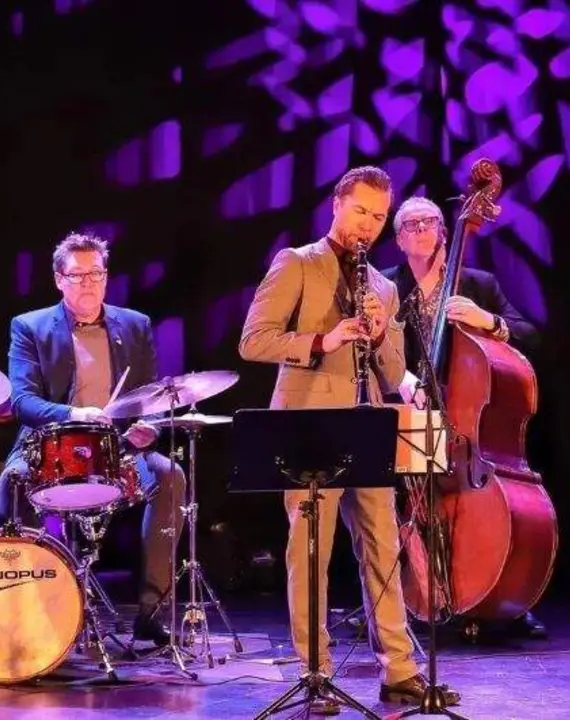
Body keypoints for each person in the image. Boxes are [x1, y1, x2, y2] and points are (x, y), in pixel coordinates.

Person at [239, 166, 459, 713]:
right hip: (308, 426)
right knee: (310, 552)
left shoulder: (383, 285)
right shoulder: (298, 262)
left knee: (384, 548)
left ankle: (400, 671)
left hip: (367, 429)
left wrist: (382, 331)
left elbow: (392, 371)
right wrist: (324, 339)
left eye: (379, 217)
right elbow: (253, 340)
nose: (368, 224)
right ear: (337, 204)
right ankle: (315, 673)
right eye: (360, 210)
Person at [0, 232, 185, 647]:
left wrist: (148, 425)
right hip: (49, 446)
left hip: (114, 449)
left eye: (96, 273)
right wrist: (74, 414)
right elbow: (22, 400)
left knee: (171, 476)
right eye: (78, 275)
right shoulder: (29, 327)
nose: (89, 283)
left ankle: (153, 613)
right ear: (58, 280)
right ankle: (22, 609)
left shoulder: (135, 325)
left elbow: (148, 396)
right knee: (12, 480)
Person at [380, 195, 547, 640]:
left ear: (444, 231)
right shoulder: (385, 287)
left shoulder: (478, 284)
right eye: (410, 224)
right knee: (392, 502)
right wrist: (402, 382)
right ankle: (393, 596)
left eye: (429, 222)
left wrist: (487, 320)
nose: (420, 230)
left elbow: (531, 334)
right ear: (398, 239)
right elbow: (372, 350)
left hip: (467, 426)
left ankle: (505, 594)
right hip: (412, 412)